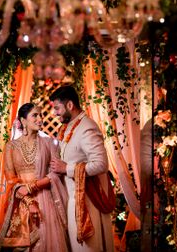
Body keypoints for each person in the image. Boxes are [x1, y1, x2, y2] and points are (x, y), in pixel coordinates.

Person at [50, 85, 115, 252]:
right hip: (72, 198)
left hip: (87, 201)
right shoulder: (70, 126)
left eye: (57, 108)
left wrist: (67, 168)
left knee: (87, 248)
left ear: (70, 105)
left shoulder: (87, 127)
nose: (54, 113)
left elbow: (101, 164)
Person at [0, 103, 69, 251]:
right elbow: (11, 179)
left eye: (41, 115)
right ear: (23, 121)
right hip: (22, 200)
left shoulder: (49, 143)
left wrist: (31, 187)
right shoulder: (11, 147)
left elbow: (55, 173)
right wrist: (29, 201)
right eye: (35, 115)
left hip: (46, 200)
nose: (40, 119)